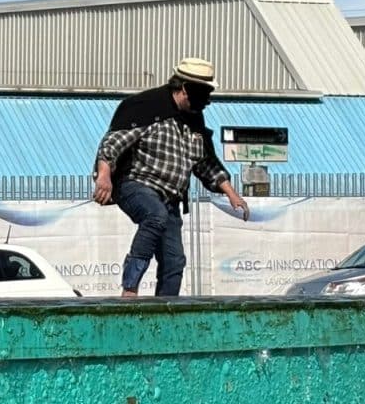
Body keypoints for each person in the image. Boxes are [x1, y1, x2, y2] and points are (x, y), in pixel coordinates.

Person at [92, 57, 250, 297]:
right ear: (186, 89)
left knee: (175, 260)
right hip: (136, 185)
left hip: (170, 197)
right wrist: (104, 176)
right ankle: (130, 288)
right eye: (203, 95)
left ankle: (166, 310)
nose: (206, 103)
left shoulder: (194, 120)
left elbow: (206, 162)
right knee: (154, 215)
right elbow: (112, 144)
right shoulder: (147, 107)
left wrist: (232, 193)